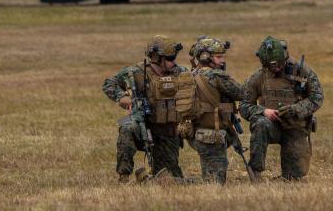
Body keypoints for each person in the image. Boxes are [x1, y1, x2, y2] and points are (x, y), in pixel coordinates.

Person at [102, 35, 185, 183]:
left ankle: (144, 178)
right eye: (170, 57)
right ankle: (124, 176)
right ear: (156, 58)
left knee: (171, 180)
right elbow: (109, 83)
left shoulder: (181, 73)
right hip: (143, 127)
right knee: (127, 127)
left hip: (168, 133)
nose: (174, 61)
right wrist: (121, 97)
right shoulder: (135, 72)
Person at [240, 36, 324, 181]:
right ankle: (256, 171)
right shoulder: (259, 77)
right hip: (271, 126)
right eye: (270, 67)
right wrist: (263, 112)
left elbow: (317, 97)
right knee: (260, 123)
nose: (276, 69)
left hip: (295, 127)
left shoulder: (302, 71)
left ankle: (290, 173)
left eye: (279, 65)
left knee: (293, 178)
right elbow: (244, 105)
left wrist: (296, 109)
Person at [175, 37, 244, 184]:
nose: (222, 60)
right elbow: (241, 93)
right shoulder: (215, 75)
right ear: (205, 57)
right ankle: (166, 181)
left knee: (210, 175)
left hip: (195, 134)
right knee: (214, 183)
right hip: (210, 137)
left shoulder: (191, 75)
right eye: (219, 57)